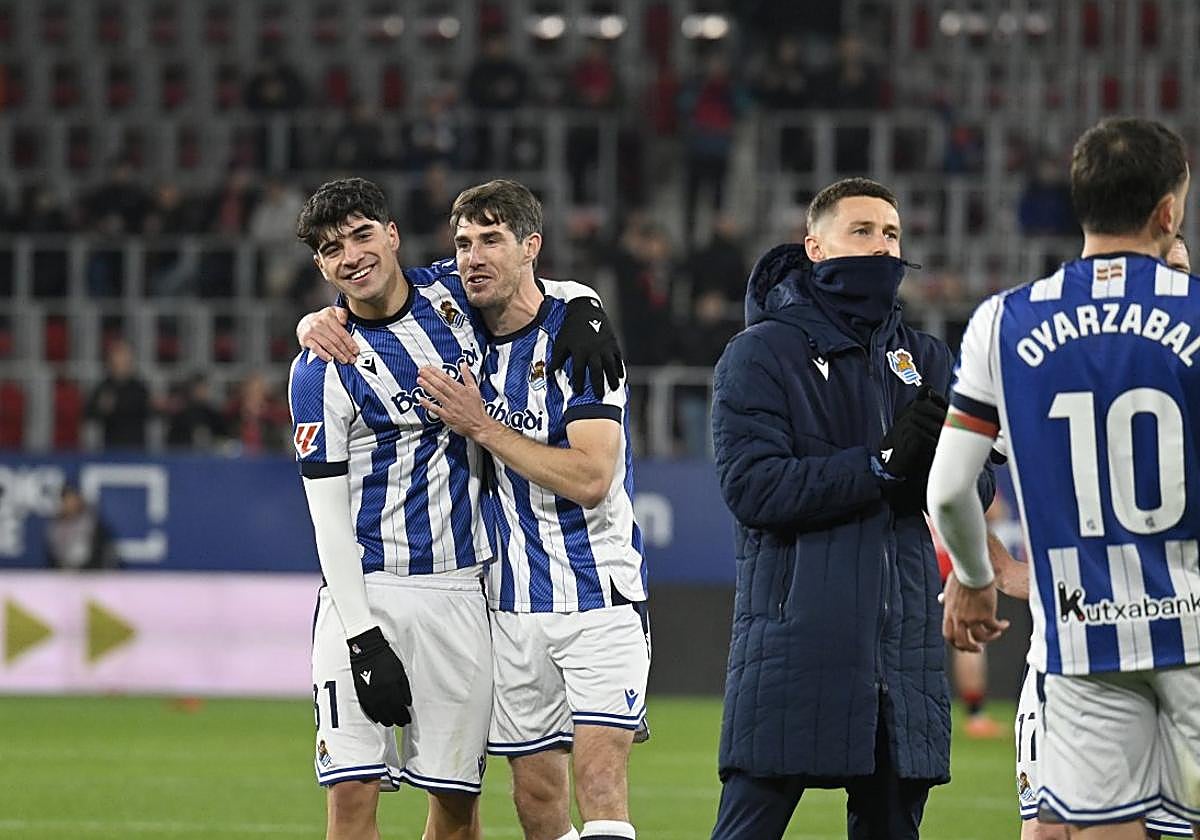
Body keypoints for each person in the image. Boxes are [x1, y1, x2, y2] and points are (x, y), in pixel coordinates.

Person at [290, 178, 624, 840]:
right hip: (366, 590)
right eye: (331, 250)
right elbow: (326, 517)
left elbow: (524, 278)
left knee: (455, 805)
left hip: (461, 594)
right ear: (322, 267)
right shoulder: (320, 367)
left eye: (361, 235)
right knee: (352, 795)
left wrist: (586, 307)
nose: (351, 256)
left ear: (392, 234)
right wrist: (361, 637)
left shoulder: (452, 294)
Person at [929, 117, 1200, 839]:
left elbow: (949, 489)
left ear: (1079, 205)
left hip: (1085, 636)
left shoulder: (1002, 322)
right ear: (1167, 211)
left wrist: (980, 576)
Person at [708, 176, 995, 840]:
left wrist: (943, 468)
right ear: (814, 247)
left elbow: (974, 494)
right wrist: (877, 467)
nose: (880, 247)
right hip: (794, 641)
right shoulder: (760, 354)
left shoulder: (924, 358)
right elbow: (753, 489)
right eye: (861, 232)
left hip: (902, 655)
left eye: (891, 234)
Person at [414, 180, 649, 840]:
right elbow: (373, 291)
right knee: (535, 801)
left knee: (600, 782)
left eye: (491, 240)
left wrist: (483, 426)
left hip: (599, 596)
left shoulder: (578, 335)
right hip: (511, 608)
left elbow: (594, 477)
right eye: (463, 243)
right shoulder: (457, 331)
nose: (473, 256)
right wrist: (317, 319)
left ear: (531, 248)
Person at [45, 483, 117, 570]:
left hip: (91, 574)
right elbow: (52, 556)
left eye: (72, 499)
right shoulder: (55, 526)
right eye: (66, 500)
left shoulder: (92, 522)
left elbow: (102, 552)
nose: (70, 503)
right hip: (64, 574)